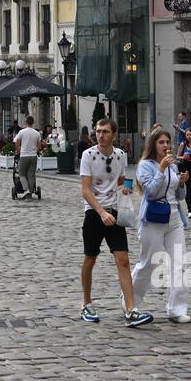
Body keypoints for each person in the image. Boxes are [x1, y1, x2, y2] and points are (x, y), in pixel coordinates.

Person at [78, 118, 153, 328]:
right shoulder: (88, 155)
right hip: (94, 213)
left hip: (115, 213)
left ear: (114, 134)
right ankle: (86, 303)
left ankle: (131, 310)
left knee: (123, 260)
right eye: (98, 131)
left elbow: (120, 183)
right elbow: (85, 189)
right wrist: (101, 212)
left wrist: (125, 190)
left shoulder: (120, 155)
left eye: (105, 131)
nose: (101, 135)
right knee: (90, 259)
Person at [132, 126, 191, 323]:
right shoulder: (145, 166)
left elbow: (179, 196)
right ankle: (130, 301)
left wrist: (182, 183)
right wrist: (161, 169)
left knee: (180, 263)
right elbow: (150, 193)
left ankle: (176, 308)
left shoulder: (173, 165)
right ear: (153, 144)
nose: (165, 146)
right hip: (153, 220)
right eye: (161, 142)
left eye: (167, 142)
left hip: (174, 219)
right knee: (148, 264)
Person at [14, 115, 44, 201]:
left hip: (24, 155)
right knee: (31, 176)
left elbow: (17, 143)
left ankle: (26, 190)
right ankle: (30, 195)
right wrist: (35, 150)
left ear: (26, 122)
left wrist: (18, 151)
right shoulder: (36, 133)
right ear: (33, 122)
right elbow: (39, 146)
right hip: (33, 156)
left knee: (22, 174)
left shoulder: (22, 132)